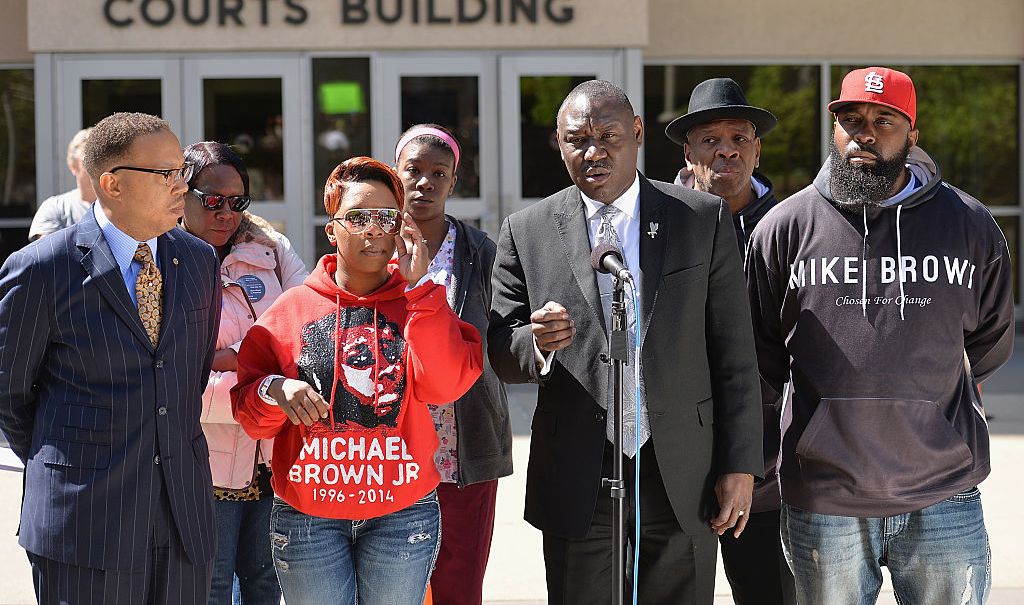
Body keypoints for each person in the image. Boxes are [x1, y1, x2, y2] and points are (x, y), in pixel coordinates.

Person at [487, 80, 763, 605]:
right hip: (578, 472)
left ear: (636, 133)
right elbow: (501, 347)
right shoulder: (529, 229)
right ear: (559, 144)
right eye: (577, 140)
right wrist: (537, 342)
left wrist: (740, 465)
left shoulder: (699, 219)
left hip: (682, 468)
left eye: (609, 135)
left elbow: (734, 354)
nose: (594, 152)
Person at [746, 67, 1014, 605]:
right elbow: (762, 351)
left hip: (942, 488)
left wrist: (925, 399)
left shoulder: (968, 224)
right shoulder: (786, 226)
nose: (863, 132)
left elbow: (991, 336)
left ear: (912, 134)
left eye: (882, 120)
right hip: (825, 496)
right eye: (849, 120)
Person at [230, 156, 483, 605]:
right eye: (358, 217)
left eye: (386, 218)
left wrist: (421, 288)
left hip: (402, 514)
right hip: (309, 518)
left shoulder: (421, 303)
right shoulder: (291, 311)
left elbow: (446, 385)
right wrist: (275, 390)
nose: (373, 229)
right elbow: (252, 413)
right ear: (332, 229)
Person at [0, 112, 222, 604]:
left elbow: (189, 376)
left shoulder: (200, 261)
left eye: (182, 170)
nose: (181, 185)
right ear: (112, 184)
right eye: (166, 174)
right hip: (85, 527)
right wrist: (74, 462)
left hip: (183, 522)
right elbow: (10, 395)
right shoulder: (42, 268)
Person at [664, 78, 794, 605]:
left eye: (739, 138)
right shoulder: (654, 220)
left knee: (768, 592)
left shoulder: (792, 225)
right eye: (710, 138)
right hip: (673, 451)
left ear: (757, 149)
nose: (727, 150)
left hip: (769, 457)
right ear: (688, 149)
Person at [180, 141, 308, 605]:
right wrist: (260, 376)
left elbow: (304, 333)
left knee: (267, 583)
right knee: (209, 587)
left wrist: (226, 357)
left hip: (272, 457)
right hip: (199, 462)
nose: (226, 212)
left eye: (238, 202)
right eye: (212, 200)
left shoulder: (272, 249)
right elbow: (169, 377)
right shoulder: (156, 259)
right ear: (182, 192)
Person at [394, 124, 513, 605]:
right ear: (395, 173)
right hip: (391, 446)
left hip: (464, 442)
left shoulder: (480, 251)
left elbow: (506, 329)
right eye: (413, 171)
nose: (424, 183)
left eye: (437, 174)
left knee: (458, 584)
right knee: (395, 585)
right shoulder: (373, 246)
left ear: (453, 182)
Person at [28, 127, 97, 240]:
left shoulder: (124, 206)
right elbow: (49, 253)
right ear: (73, 166)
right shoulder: (55, 208)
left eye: (101, 159)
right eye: (89, 159)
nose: (97, 165)